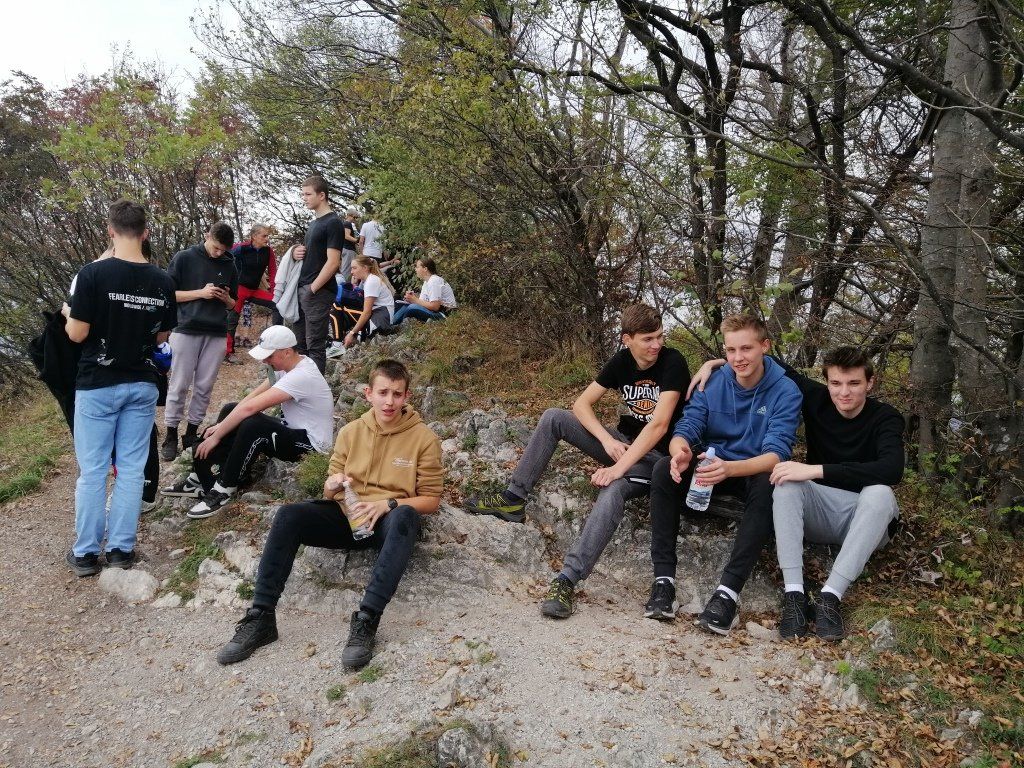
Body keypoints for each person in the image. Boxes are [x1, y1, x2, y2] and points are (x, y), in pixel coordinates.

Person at [214, 359, 442, 669]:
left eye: (397, 394)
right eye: (383, 393)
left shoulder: (424, 438)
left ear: (407, 396)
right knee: (289, 515)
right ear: (368, 394)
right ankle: (261, 616)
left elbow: (431, 500)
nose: (389, 401)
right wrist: (332, 484)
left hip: (387, 523)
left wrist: (388, 504)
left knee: (406, 517)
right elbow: (329, 491)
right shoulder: (350, 432)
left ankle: (367, 619)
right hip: (348, 518)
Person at [465, 304, 688, 618]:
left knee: (613, 488)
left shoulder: (672, 362)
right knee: (554, 417)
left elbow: (659, 426)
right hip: (625, 445)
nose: (656, 345)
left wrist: (617, 469)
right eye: (648, 339)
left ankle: (567, 579)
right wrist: (607, 440)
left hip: (659, 459)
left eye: (660, 337)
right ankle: (514, 498)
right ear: (627, 339)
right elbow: (581, 404)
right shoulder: (621, 361)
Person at [690, 347, 905, 640]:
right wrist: (714, 363)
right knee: (785, 479)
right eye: (836, 383)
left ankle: (830, 597)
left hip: (867, 522)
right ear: (827, 382)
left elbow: (891, 470)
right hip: (820, 514)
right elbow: (762, 359)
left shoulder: (886, 417)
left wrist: (816, 470)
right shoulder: (815, 397)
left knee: (880, 494)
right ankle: (794, 596)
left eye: (854, 383)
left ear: (870, 383)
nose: (844, 392)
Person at [645, 314, 801, 635]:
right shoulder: (713, 381)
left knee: (771, 483)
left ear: (764, 346)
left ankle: (727, 594)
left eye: (746, 349)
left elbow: (777, 454)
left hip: (750, 470)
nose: (738, 358)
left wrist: (730, 468)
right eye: (731, 350)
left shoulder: (785, 391)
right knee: (663, 469)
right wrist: (680, 451)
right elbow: (687, 425)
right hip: (711, 465)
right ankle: (663, 581)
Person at [64, 199, 176, 576]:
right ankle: (120, 550)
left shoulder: (93, 274)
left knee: (94, 470)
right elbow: (161, 336)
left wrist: (69, 313)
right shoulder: (163, 281)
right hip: (141, 384)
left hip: (97, 383)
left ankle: (85, 553)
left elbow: (76, 333)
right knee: (130, 468)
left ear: (110, 230)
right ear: (146, 232)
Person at [162, 325, 335, 518]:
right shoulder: (288, 365)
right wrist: (222, 424)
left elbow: (251, 409)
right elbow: (251, 398)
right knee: (231, 409)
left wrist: (217, 436)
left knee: (253, 425)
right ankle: (202, 477)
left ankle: (225, 487)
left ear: (287, 352)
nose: (265, 361)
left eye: (269, 356)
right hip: (293, 432)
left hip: (311, 446)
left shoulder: (302, 375)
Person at [161, 222, 238, 460]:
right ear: (207, 236)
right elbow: (168, 294)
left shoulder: (230, 263)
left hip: (216, 331)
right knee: (179, 384)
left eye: (223, 250)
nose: (218, 253)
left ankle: (191, 433)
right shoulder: (184, 258)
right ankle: (171, 434)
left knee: (205, 386)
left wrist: (225, 298)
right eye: (216, 247)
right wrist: (201, 293)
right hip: (186, 328)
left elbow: (234, 304)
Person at [292, 175, 344, 373]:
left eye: (307, 194)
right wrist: (296, 252)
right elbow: (313, 255)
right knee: (300, 346)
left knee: (315, 347)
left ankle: (316, 390)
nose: (304, 198)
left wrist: (312, 289)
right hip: (303, 289)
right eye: (302, 194)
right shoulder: (314, 223)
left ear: (322, 195)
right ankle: (301, 387)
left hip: (318, 292)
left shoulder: (333, 222)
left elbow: (333, 262)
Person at [225, 224, 283, 362]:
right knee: (232, 318)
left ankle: (277, 344)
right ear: (254, 236)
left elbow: (273, 272)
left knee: (278, 304)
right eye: (264, 236)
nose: (267, 239)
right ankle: (228, 353)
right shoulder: (241, 248)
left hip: (255, 290)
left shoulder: (268, 251)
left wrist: (274, 292)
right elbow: (224, 257)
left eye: (268, 236)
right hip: (240, 288)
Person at [341, 256, 395, 348]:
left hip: (380, 321)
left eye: (354, 268)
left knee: (337, 307)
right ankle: (340, 339)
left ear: (365, 268)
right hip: (379, 316)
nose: (351, 272)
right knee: (341, 307)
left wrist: (352, 333)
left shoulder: (371, 281)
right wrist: (354, 284)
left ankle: (337, 342)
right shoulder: (367, 280)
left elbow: (366, 312)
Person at [392, 257, 457, 324]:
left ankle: (397, 325)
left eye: (417, 267)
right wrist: (412, 299)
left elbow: (435, 306)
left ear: (425, 269)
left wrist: (415, 300)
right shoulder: (426, 282)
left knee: (412, 307)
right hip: (435, 311)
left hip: (443, 314)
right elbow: (422, 303)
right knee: (405, 304)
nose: (415, 269)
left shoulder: (434, 281)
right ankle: (392, 323)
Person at [338, 207, 360, 284]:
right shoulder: (347, 223)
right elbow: (346, 236)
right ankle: (342, 286)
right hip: (348, 249)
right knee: (347, 270)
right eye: (354, 217)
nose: (355, 219)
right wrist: (357, 241)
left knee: (348, 269)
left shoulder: (346, 224)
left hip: (347, 249)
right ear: (349, 215)